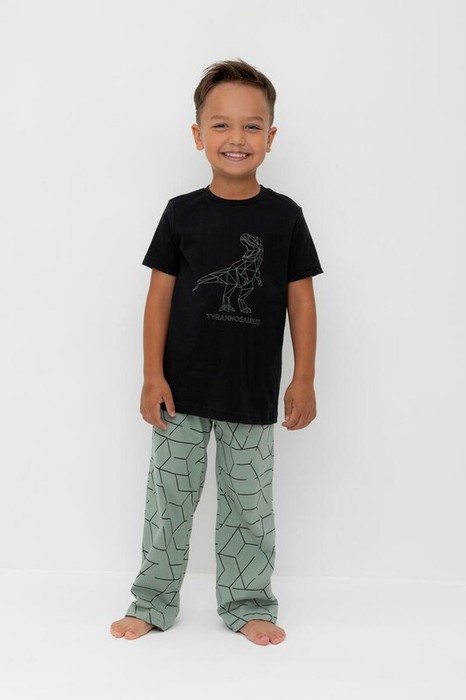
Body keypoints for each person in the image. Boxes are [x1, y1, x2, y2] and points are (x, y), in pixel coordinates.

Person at [110, 58, 324, 646]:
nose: (237, 138)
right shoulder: (181, 213)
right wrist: (151, 374)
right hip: (179, 391)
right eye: (222, 124)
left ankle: (249, 603)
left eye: (252, 126)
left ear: (271, 137)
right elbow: (158, 299)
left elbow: (301, 301)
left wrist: (304, 377)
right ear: (198, 133)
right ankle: (152, 601)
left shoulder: (285, 217)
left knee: (248, 505)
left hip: (251, 391)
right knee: (169, 501)